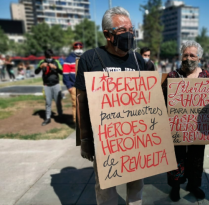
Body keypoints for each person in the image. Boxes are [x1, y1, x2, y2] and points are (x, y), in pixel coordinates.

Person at [75, 6, 146, 205]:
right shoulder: (90, 58)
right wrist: (85, 138)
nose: (130, 34)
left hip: (136, 136)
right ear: (107, 34)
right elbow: (81, 100)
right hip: (104, 138)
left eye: (131, 30)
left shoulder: (137, 59)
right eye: (123, 31)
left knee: (136, 183)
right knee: (106, 187)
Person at [162, 41, 209, 202]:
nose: (188, 58)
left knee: (197, 157)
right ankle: (175, 186)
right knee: (176, 157)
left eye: (192, 55)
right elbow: (162, 99)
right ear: (181, 56)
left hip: (198, 127)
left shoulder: (207, 76)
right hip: (176, 127)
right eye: (185, 55)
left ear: (199, 57)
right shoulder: (172, 76)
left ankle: (193, 184)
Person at [35, 49, 63, 126]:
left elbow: (62, 72)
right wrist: (40, 67)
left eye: (50, 56)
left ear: (52, 56)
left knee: (58, 101)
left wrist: (55, 68)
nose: (49, 58)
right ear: (45, 56)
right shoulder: (42, 62)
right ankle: (48, 118)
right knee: (48, 103)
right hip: (46, 85)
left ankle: (60, 116)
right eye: (47, 56)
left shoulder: (56, 62)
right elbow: (36, 72)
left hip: (56, 84)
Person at [63, 41, 83, 123]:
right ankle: (76, 122)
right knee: (76, 104)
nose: (78, 49)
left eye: (80, 48)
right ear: (73, 48)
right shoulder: (69, 59)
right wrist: (69, 86)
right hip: (74, 86)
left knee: (85, 104)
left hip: (84, 86)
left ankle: (85, 122)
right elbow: (65, 74)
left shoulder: (84, 57)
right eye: (76, 48)